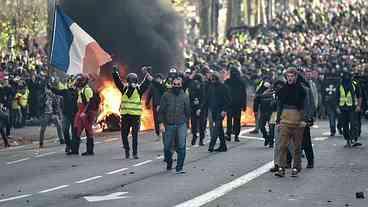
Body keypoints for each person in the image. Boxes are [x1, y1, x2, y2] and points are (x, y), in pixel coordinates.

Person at [112, 65, 152, 159]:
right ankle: (127, 150)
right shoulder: (124, 89)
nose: (132, 83)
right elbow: (117, 82)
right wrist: (115, 73)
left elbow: (146, 82)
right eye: (130, 81)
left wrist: (148, 73)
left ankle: (135, 153)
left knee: (135, 135)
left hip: (135, 117)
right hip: (125, 116)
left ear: (136, 81)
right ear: (127, 81)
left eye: (133, 81)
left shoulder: (139, 89)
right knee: (124, 135)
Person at [275, 68, 306, 177]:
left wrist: (303, 120)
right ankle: (281, 168)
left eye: (292, 76)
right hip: (285, 120)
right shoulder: (282, 90)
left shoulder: (302, 90)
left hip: (297, 121)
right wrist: (278, 120)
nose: (290, 78)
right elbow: (279, 106)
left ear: (296, 77)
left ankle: (296, 168)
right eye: (288, 76)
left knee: (297, 147)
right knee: (282, 146)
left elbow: (303, 106)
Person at [159, 76, 190, 174]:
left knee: (181, 145)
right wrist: (161, 124)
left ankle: (179, 167)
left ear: (181, 85)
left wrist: (188, 126)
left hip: (181, 124)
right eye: (174, 84)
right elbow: (161, 111)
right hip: (169, 124)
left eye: (178, 84)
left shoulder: (185, 96)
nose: (176, 86)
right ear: (172, 84)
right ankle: (169, 161)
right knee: (167, 147)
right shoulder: (166, 95)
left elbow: (188, 112)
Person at [49, 76, 79, 154]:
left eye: (72, 82)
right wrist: (51, 87)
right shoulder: (65, 91)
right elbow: (57, 91)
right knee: (65, 130)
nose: (71, 84)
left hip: (74, 114)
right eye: (69, 82)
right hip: (66, 114)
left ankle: (74, 147)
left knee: (74, 132)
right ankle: (68, 145)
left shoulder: (77, 92)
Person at [205, 71, 231, 152]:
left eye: (214, 79)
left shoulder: (223, 87)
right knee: (219, 129)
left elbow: (228, 100)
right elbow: (207, 98)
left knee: (216, 128)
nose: (212, 81)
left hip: (221, 111)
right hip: (213, 110)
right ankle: (223, 146)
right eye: (211, 79)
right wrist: (203, 108)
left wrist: (224, 110)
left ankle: (211, 145)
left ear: (217, 79)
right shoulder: (210, 87)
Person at [336, 70, 362, 148]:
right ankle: (348, 140)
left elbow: (359, 96)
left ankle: (353, 139)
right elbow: (336, 97)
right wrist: (337, 107)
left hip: (353, 107)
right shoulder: (339, 85)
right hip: (343, 108)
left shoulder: (355, 84)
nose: (346, 78)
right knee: (345, 125)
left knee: (354, 124)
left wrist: (358, 106)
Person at [74, 75, 98, 156]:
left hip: (86, 113)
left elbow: (90, 102)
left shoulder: (87, 90)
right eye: (78, 81)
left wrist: (84, 113)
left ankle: (90, 150)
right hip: (80, 112)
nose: (78, 82)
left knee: (88, 131)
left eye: (80, 81)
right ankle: (75, 150)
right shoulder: (81, 90)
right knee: (77, 130)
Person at [225, 66, 247, 142]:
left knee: (229, 119)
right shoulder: (241, 82)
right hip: (237, 104)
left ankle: (229, 134)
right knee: (237, 120)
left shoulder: (228, 81)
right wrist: (244, 105)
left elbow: (224, 93)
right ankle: (236, 136)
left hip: (229, 104)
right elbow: (244, 95)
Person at [187, 73, 206, 146]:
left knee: (201, 124)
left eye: (197, 81)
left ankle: (201, 139)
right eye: (195, 81)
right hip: (193, 107)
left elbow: (204, 98)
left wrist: (200, 108)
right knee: (194, 124)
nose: (196, 82)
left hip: (201, 108)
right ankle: (194, 136)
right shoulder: (191, 86)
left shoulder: (203, 86)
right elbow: (190, 95)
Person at [145, 73, 165, 139]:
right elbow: (149, 95)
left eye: (159, 78)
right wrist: (147, 103)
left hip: (164, 105)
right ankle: (158, 134)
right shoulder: (152, 86)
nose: (158, 80)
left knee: (164, 119)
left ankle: (165, 133)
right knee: (156, 120)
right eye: (157, 78)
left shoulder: (164, 85)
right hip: (155, 105)